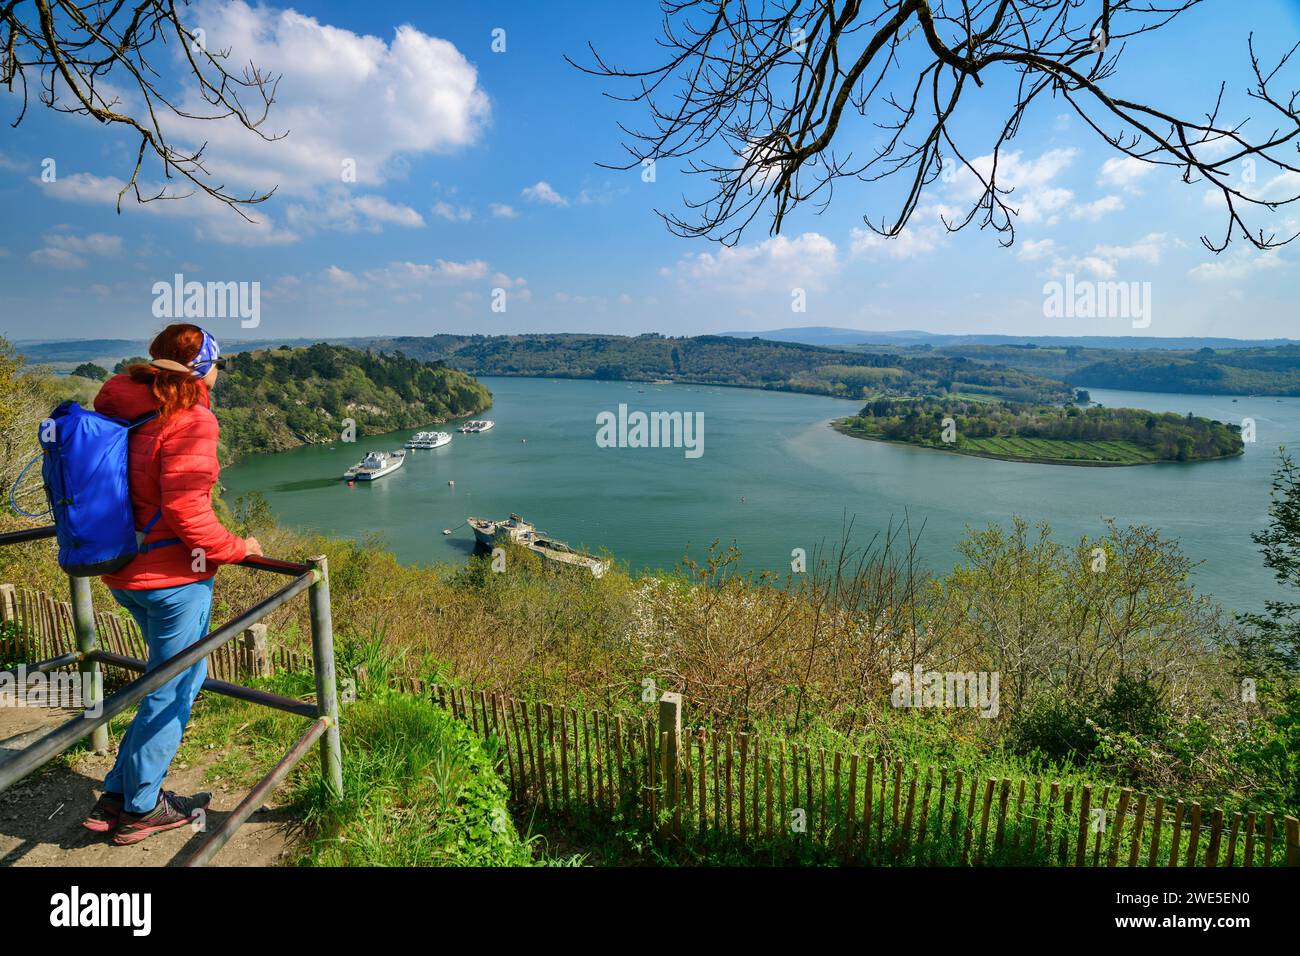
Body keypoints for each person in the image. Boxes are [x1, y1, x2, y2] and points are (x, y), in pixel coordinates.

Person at [80, 323, 262, 845]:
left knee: (166, 678)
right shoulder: (191, 419)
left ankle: (119, 793)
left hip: (118, 566)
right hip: (171, 577)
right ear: (203, 366)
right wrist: (237, 548)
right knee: (175, 685)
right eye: (217, 366)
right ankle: (141, 807)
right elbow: (187, 511)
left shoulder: (116, 399)